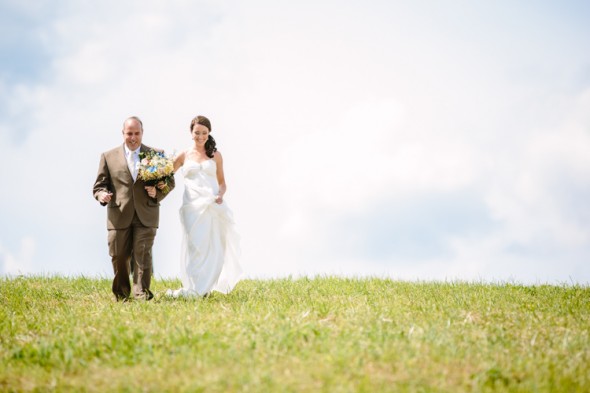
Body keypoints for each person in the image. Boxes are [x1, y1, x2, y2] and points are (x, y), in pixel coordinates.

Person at [93, 116, 175, 301]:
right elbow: (99, 186)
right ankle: (121, 295)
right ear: (123, 133)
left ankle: (141, 294)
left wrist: (157, 192)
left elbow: (170, 182)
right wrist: (102, 195)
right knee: (119, 256)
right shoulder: (108, 156)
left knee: (142, 255)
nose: (133, 137)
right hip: (118, 214)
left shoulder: (156, 154)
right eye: (129, 133)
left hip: (146, 213)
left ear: (142, 133)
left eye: (137, 133)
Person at [165, 115, 242, 298]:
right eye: (197, 132)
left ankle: (204, 288)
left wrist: (220, 195)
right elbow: (167, 175)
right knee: (196, 245)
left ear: (209, 134)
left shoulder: (215, 156)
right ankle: (194, 286)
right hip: (191, 206)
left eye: (204, 133)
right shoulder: (184, 155)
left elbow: (222, 183)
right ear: (191, 133)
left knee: (213, 246)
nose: (200, 136)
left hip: (211, 205)